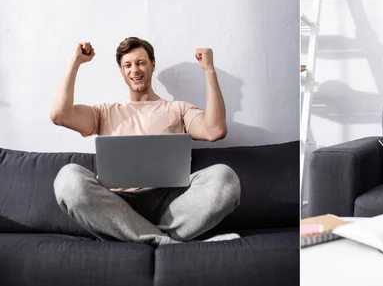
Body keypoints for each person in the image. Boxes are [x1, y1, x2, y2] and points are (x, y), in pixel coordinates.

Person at [50, 37, 241, 246]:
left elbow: (215, 130)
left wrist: (209, 71)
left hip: (171, 206)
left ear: (152, 64)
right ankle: (167, 242)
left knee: (225, 178)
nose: (135, 70)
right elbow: (60, 115)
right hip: (117, 206)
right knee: (67, 179)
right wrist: (75, 62)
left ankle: (143, 236)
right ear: (121, 71)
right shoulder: (104, 112)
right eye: (128, 65)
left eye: (141, 62)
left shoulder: (178, 109)